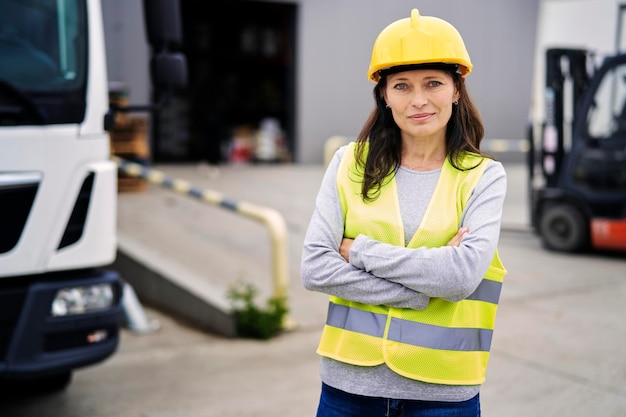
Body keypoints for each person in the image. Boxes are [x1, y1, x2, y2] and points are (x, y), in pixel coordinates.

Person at [301, 9, 507, 417]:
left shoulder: (483, 177)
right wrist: (422, 292)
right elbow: (315, 268)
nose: (418, 100)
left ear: (456, 89)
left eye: (433, 83)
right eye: (401, 85)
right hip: (347, 387)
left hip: (444, 392)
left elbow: (461, 276)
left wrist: (358, 250)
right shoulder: (349, 163)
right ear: (384, 94)